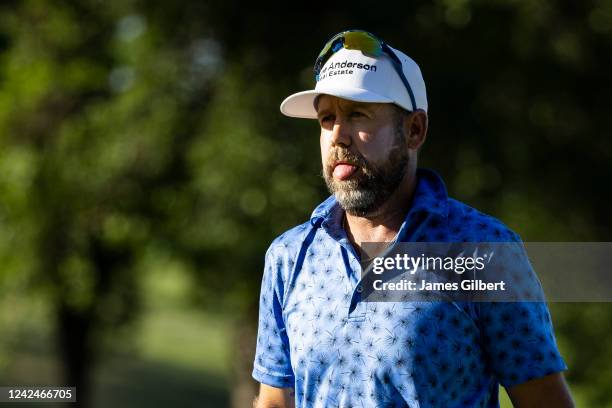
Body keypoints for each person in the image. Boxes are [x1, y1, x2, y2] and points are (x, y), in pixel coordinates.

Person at [252, 30, 574, 408]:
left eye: (358, 114)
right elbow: (274, 400)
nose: (338, 136)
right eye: (327, 118)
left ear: (414, 130)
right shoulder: (289, 256)